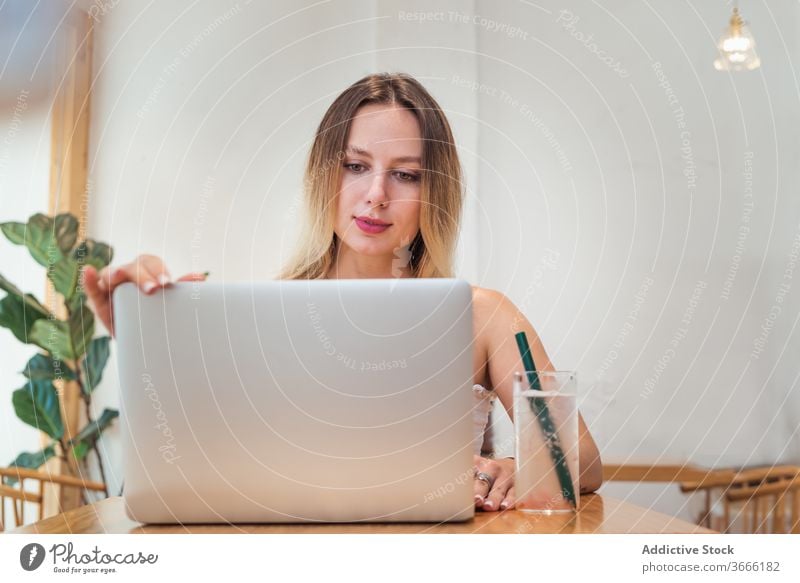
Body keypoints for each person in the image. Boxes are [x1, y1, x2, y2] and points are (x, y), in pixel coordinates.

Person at [84, 72, 602, 513]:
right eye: (355, 166)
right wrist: (148, 337)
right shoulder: (263, 318)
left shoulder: (483, 316)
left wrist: (515, 465)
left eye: (405, 175)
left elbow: (585, 458)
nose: (376, 195)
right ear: (322, 175)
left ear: (434, 195)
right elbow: (195, 460)